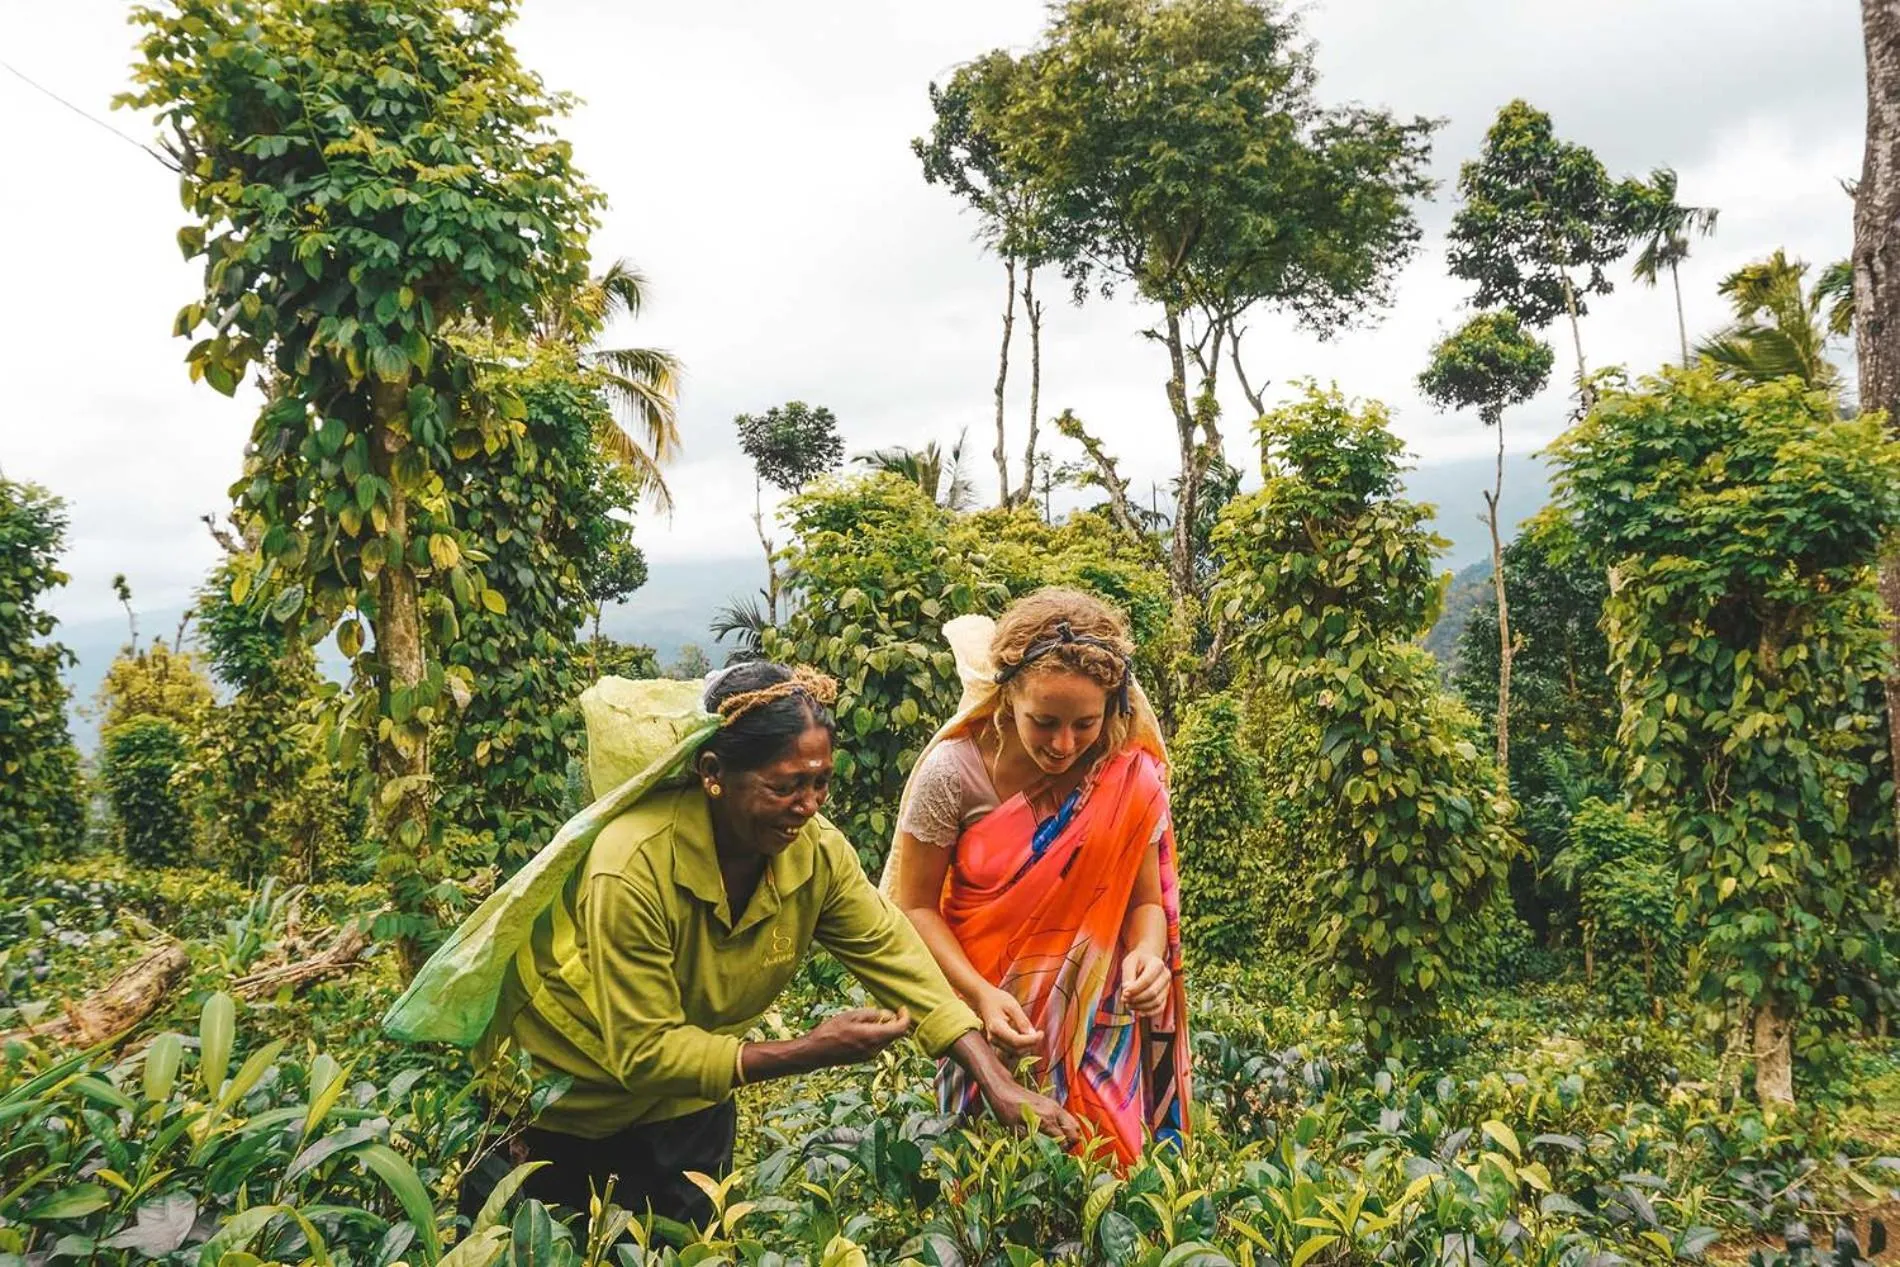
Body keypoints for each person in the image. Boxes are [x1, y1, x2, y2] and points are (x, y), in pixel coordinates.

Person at [465, 661, 1079, 1225]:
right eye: (785, 785)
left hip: (690, 1098)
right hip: (562, 1098)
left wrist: (997, 1082)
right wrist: (810, 1049)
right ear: (713, 775)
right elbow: (643, 1051)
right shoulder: (632, 865)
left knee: (689, 1243)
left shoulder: (814, 853)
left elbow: (897, 958)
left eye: (821, 782)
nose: (807, 806)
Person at [884, 588, 1191, 1165]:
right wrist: (979, 994)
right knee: (984, 1191)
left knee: (1108, 1186)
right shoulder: (954, 775)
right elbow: (916, 906)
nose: (1065, 744)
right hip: (986, 1024)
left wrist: (1148, 955)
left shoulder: (1129, 775)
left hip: (1100, 1018)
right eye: (1043, 722)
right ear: (1007, 698)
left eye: (1085, 723)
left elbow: (1143, 903)